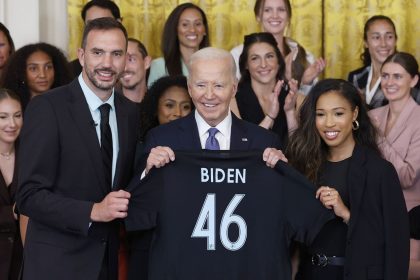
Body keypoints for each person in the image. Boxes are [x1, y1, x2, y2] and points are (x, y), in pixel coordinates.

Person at [126, 47, 333, 280]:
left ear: (234, 87)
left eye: (219, 85)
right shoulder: (161, 139)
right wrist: (147, 171)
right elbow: (133, 210)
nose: (209, 95)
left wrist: (283, 174)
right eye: (202, 85)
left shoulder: (263, 143)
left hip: (244, 271)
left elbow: (298, 217)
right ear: (190, 88)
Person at [16, 18, 139, 280]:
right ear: (81, 56)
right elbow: (28, 195)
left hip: (108, 266)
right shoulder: (48, 108)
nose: (107, 63)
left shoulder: (130, 113)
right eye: (98, 52)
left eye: (116, 54)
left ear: (125, 58)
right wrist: (92, 211)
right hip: (55, 267)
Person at [285, 79, 409, 279]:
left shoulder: (379, 172)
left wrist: (346, 214)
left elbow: (395, 244)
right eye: (320, 115)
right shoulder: (304, 165)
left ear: (355, 114)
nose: (329, 123)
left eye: (338, 113)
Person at [368, 52, 420, 279]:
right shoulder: (372, 116)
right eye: (385, 75)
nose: (389, 82)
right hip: (371, 211)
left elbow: (408, 176)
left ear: (414, 80)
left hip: (409, 215)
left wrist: (378, 138)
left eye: (398, 77)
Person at [230, 0, 325, 94]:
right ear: (258, 16)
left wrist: (305, 83)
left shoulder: (305, 56)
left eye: (281, 10)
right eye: (267, 10)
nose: (275, 15)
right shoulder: (237, 55)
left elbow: (310, 104)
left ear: (288, 16)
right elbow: (235, 98)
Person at [232, 32, 301, 146]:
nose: (263, 65)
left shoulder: (297, 99)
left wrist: (290, 112)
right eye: (255, 58)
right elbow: (241, 148)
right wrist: (270, 117)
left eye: (269, 56)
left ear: (278, 61)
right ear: (246, 65)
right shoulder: (233, 101)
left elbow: (299, 152)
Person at [348, 15, 420, 109]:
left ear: (395, 40)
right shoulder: (355, 77)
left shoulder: (410, 78)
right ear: (366, 42)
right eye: (376, 37)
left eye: (389, 37)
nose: (383, 44)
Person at [147, 2, 210, 87]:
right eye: (185, 24)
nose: (192, 30)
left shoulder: (215, 64)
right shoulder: (159, 66)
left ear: (204, 30)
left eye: (198, 24)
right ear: (175, 29)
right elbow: (152, 99)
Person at [0, 42, 71, 110]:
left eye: (48, 67)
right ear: (21, 72)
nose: (42, 75)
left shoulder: (69, 104)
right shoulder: (11, 106)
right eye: (33, 68)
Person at [0, 88, 23, 280]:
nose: (12, 124)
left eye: (17, 115)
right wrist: (12, 213)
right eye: (3, 117)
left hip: (24, 261)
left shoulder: (32, 154)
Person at [69, 0, 122, 78]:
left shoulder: (135, 65)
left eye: (104, 23)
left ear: (119, 23)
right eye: (91, 24)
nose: (97, 30)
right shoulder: (70, 70)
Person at [120, 38, 151, 103]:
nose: (125, 68)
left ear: (146, 62)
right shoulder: (107, 106)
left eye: (131, 59)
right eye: (120, 61)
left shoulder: (159, 104)